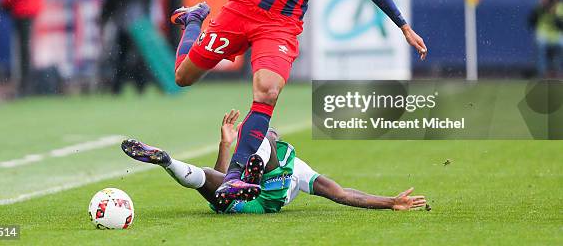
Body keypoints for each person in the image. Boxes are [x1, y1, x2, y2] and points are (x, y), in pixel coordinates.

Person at [136, 0, 427, 207]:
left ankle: (234, 176)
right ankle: (194, 20)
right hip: (241, 10)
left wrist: (402, 25)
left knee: (268, 90)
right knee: (183, 78)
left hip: (281, 26)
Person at [122, 109, 427, 213]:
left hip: (242, 196)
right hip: (244, 200)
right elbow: (342, 193)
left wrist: (389, 202)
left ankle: (169, 163)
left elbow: (344, 194)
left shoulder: (294, 165)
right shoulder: (298, 166)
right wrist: (225, 144)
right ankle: (166, 160)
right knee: (213, 176)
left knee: (205, 176)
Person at [100, 0, 154, 94]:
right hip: (124, 23)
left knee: (137, 58)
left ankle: (138, 87)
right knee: (123, 57)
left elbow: (147, 0)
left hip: (137, 24)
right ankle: (119, 87)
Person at [528, 0, 563, 77]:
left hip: (556, 35)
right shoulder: (540, 8)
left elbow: (561, 26)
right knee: (541, 45)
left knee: (561, 44)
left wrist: (555, 14)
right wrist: (541, 8)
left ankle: (557, 71)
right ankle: (543, 72)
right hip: (543, 35)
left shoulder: (559, 8)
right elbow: (531, 22)